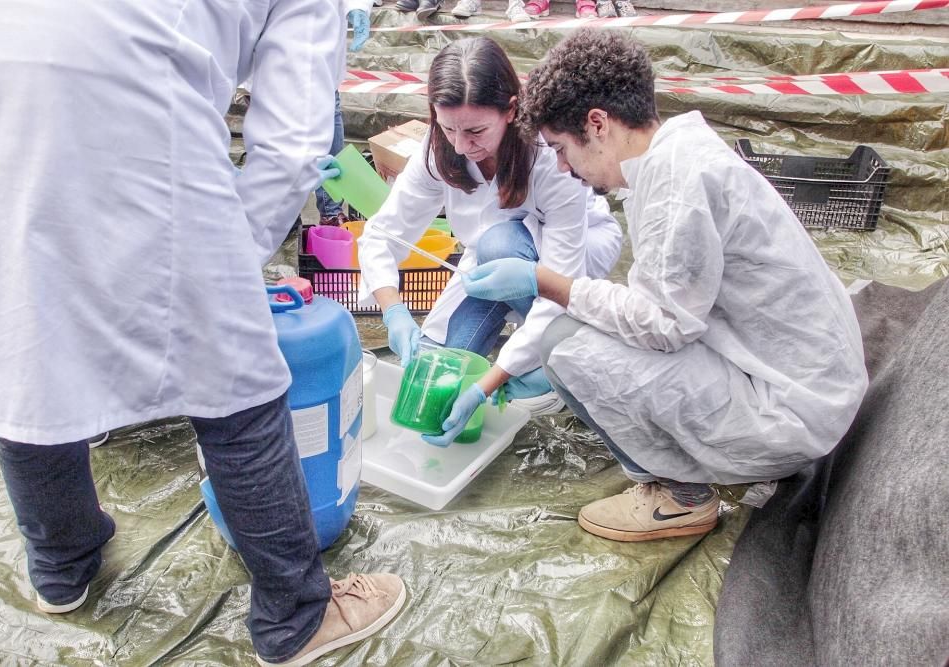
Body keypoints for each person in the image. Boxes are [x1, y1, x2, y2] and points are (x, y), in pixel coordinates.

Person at [0, 2, 404, 666]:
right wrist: (224, 272)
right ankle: (296, 614)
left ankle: (60, 559)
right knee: (235, 373)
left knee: (20, 318)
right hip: (117, 75)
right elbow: (291, 144)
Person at [462, 29, 868, 541]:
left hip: (792, 412)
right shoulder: (675, 157)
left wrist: (542, 281)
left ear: (597, 124)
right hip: (804, 383)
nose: (562, 166)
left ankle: (682, 496)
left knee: (564, 346)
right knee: (573, 335)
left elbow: (664, 326)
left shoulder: (680, 186)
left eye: (562, 149)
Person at [354, 36, 623, 443]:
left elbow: (559, 279)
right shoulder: (437, 151)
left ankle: (559, 364)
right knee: (433, 363)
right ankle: (523, 351)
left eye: (476, 130)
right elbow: (383, 232)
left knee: (502, 246)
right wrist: (394, 311)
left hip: (567, 260)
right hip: (485, 261)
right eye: (448, 129)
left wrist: (490, 384)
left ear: (511, 111)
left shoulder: (548, 156)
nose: (462, 146)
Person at [317, 0, 375, 226]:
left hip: (323, 58)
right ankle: (280, 210)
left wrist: (357, 6)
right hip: (272, 67)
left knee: (330, 124)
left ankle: (331, 211)